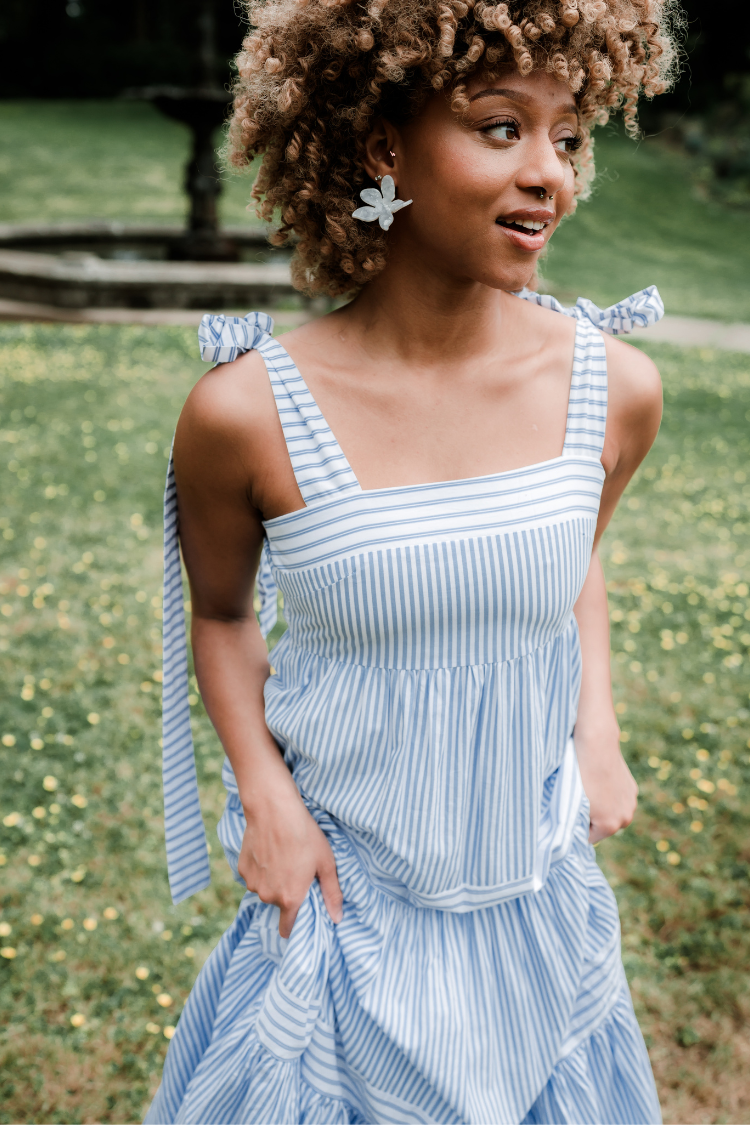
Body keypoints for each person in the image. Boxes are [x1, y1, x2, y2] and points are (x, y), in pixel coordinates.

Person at [145, 1, 681, 1122]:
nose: (551, 176)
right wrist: (266, 798)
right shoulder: (246, 413)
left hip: (535, 899)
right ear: (383, 148)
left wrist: (600, 732)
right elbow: (226, 618)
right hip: (344, 915)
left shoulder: (614, 390)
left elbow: (562, 565)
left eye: (569, 136)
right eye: (499, 128)